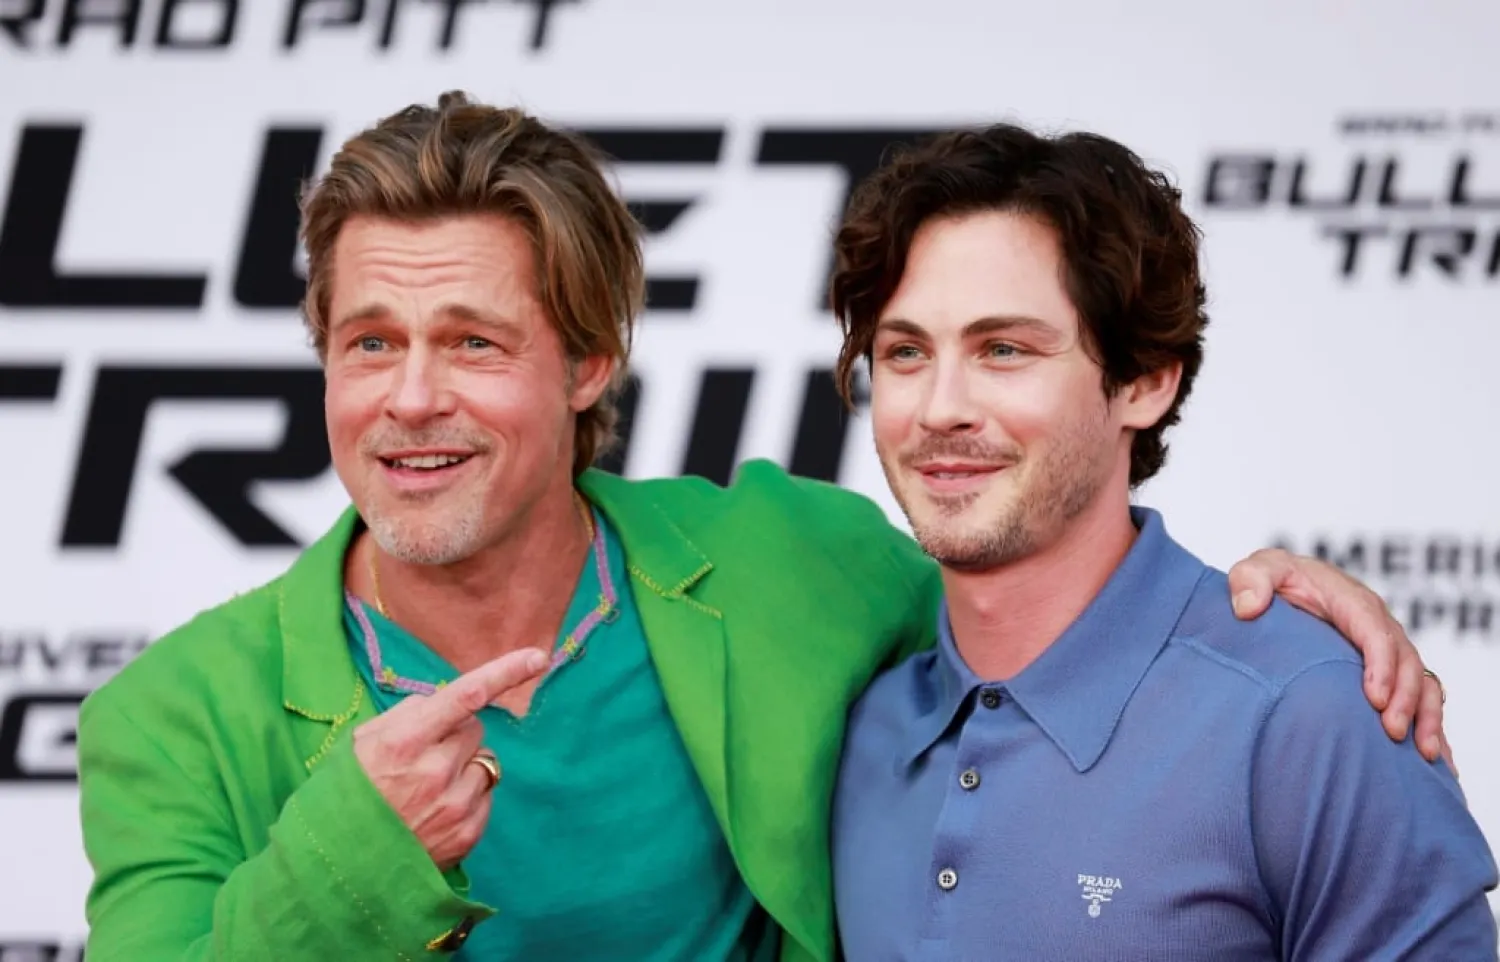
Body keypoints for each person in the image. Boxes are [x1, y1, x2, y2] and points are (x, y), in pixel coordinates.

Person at [77, 92, 1451, 962]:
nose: (412, 397)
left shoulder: (806, 566)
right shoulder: (172, 715)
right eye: (369, 342)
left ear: (589, 363)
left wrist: (1272, 607)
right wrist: (351, 854)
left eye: (476, 339)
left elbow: (1047, 574)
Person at [828, 123, 1499, 960]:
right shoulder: (854, 725)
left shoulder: (1306, 716)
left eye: (1004, 349)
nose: (940, 408)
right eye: (905, 352)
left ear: (1144, 380)